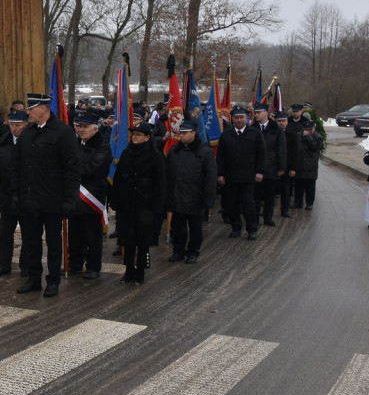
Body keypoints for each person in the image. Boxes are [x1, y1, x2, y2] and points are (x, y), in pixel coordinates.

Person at [11, 93, 79, 298]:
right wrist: (16, 194)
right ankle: (33, 279)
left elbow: (72, 168)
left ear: (44, 108)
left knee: (53, 242)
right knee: (31, 242)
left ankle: (53, 280)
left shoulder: (63, 133)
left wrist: (70, 199)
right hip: (30, 200)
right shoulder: (28, 133)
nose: (28, 112)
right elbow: (17, 166)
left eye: (32, 108)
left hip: (53, 200)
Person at [111, 123, 166, 284]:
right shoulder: (127, 153)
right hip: (127, 205)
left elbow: (160, 183)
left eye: (138, 134)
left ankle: (140, 271)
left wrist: (158, 206)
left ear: (147, 137)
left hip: (146, 206)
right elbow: (119, 178)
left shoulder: (155, 156)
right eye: (133, 134)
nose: (134, 137)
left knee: (143, 242)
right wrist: (116, 199)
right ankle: (128, 270)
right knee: (127, 241)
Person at [166, 119, 217, 264]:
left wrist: (208, 200)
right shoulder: (175, 151)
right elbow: (168, 173)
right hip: (177, 196)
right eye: (180, 133)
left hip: (195, 197)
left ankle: (193, 251)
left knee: (195, 228)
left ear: (193, 133)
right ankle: (178, 251)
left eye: (185, 133)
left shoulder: (205, 152)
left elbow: (210, 177)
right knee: (177, 227)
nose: (181, 136)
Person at [69, 112, 112, 279]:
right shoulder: (74, 143)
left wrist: (71, 172)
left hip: (92, 196)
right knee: (74, 233)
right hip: (74, 197)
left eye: (84, 127)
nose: (80, 129)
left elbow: (94, 169)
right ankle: (74, 263)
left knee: (92, 235)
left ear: (95, 128)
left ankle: (93, 266)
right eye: (78, 126)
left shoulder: (103, 145)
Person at [217, 106, 266, 240]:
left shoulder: (255, 133)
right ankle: (236, 228)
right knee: (232, 204)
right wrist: (220, 174)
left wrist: (259, 171)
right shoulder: (226, 135)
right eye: (236, 118)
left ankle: (252, 229)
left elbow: (261, 154)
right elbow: (220, 157)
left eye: (241, 117)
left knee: (249, 203)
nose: (239, 120)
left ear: (246, 118)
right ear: (232, 119)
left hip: (248, 176)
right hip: (230, 177)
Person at [0, 109, 28, 277]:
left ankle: (26, 265)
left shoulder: (31, 142)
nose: (14, 128)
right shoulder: (2, 143)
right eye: (12, 125)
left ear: (26, 125)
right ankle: (4, 264)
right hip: (6, 196)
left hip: (27, 197)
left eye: (18, 125)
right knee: (5, 235)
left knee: (28, 235)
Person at [252, 104, 286, 227]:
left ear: (266, 113)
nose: (256, 115)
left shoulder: (276, 129)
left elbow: (281, 149)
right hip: (256, 169)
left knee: (269, 196)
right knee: (255, 196)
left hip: (271, 167)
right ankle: (254, 218)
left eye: (258, 112)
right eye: (255, 112)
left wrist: (281, 167)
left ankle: (268, 217)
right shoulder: (253, 128)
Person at [294, 120, 322, 210]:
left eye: (310, 129)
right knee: (298, 186)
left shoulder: (317, 137)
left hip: (310, 166)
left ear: (314, 128)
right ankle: (298, 202)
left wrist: (308, 137)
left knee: (310, 186)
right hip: (299, 165)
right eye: (307, 129)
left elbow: (314, 147)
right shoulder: (298, 135)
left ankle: (309, 203)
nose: (309, 131)